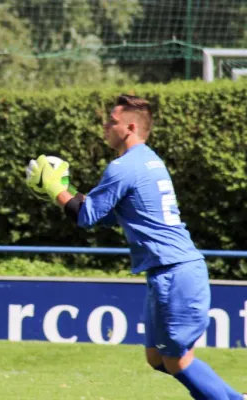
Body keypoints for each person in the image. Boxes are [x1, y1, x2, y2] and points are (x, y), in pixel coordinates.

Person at [25, 95, 245, 400]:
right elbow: (103, 215)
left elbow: (86, 217)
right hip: (169, 272)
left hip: (174, 273)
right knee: (157, 358)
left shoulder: (124, 167)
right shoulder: (147, 160)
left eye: (111, 121)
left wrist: (54, 188)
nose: (105, 126)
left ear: (129, 127)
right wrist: (67, 192)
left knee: (177, 360)